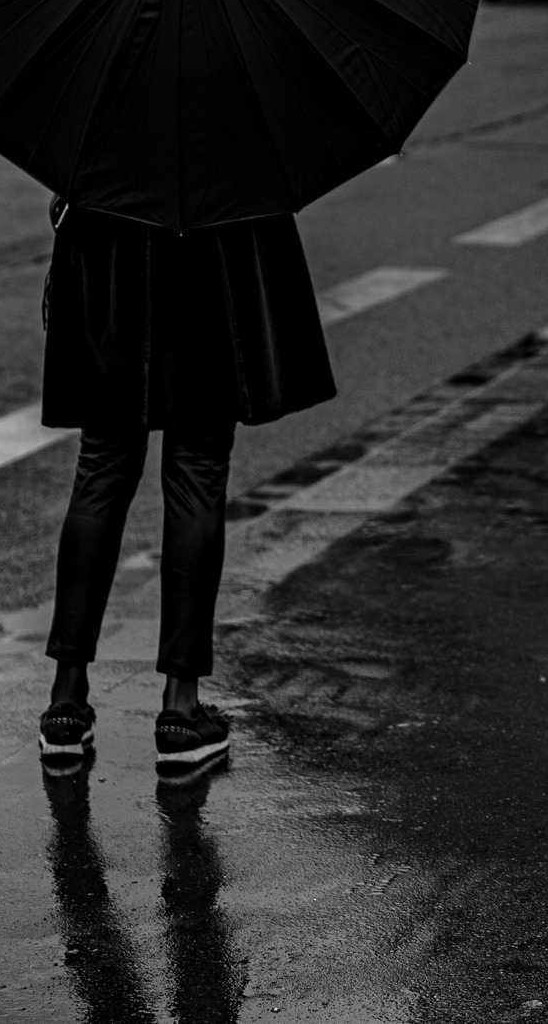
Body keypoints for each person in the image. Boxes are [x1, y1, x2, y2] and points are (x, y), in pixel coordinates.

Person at [36, 198, 335, 779]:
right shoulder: (229, 136)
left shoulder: (104, 138)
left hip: (112, 243)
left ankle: (66, 703)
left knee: (101, 471)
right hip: (211, 253)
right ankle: (180, 709)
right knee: (197, 475)